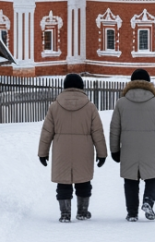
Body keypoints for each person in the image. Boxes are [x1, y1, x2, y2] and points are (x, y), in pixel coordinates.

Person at [38, 73, 108, 222]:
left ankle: (65, 214)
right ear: (81, 87)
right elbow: (97, 132)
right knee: (83, 181)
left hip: (61, 151)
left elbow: (47, 132)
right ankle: (82, 211)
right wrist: (102, 154)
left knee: (63, 182)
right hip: (83, 152)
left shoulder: (55, 106)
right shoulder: (90, 107)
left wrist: (42, 153)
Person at [109, 68, 155, 222]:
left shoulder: (121, 103)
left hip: (129, 148)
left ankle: (132, 213)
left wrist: (114, 150)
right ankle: (148, 201)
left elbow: (114, 129)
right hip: (150, 149)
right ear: (149, 83)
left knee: (130, 181)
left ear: (131, 83)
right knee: (153, 177)